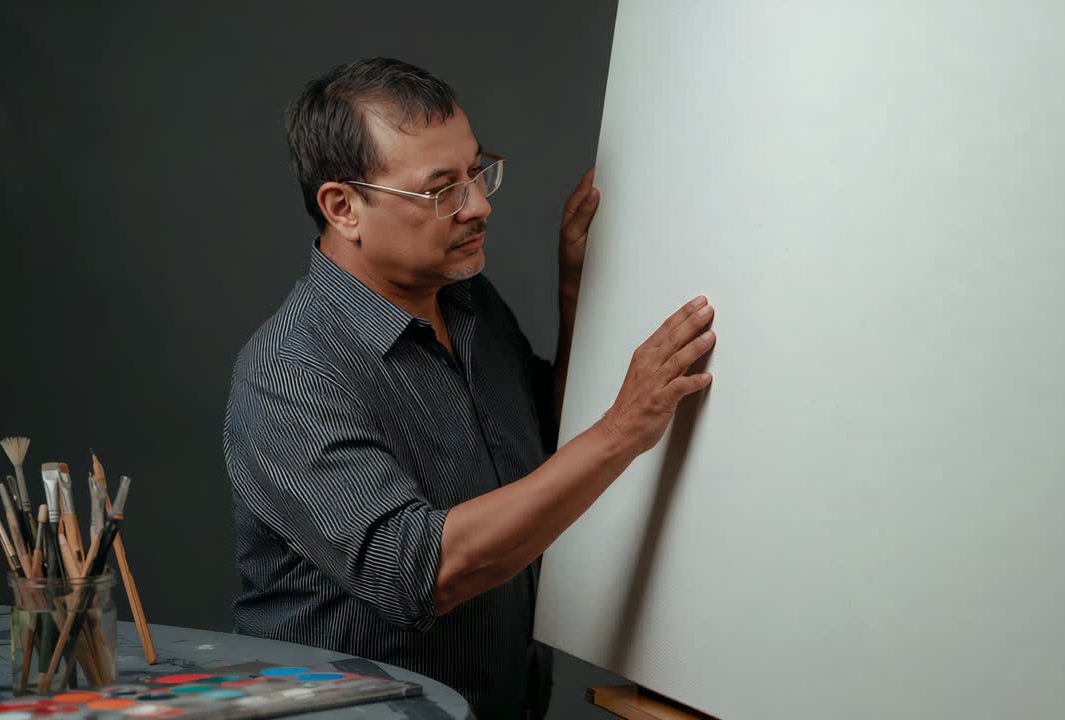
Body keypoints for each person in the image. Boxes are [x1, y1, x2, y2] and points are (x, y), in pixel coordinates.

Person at [222, 56, 716, 720]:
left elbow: (548, 442)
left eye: (478, 171)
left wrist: (580, 290)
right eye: (441, 190)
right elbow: (423, 573)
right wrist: (624, 428)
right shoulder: (288, 374)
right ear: (343, 208)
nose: (479, 205)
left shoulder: (467, 301)